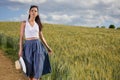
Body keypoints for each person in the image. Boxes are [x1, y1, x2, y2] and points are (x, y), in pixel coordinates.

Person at [18, 5, 52, 80]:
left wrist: (48, 47)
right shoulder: (24, 23)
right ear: (29, 12)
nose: (33, 12)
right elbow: (21, 37)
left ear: (37, 14)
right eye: (32, 10)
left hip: (38, 46)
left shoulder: (38, 24)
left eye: (35, 11)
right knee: (29, 69)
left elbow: (42, 37)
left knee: (38, 68)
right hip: (28, 46)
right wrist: (20, 49)